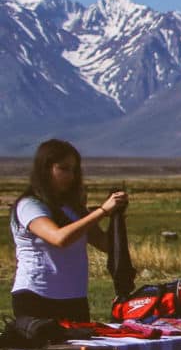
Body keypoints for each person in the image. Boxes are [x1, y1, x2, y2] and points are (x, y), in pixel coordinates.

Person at [11, 139, 127, 326]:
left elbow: (105, 244)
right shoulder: (30, 205)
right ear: (46, 169)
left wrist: (116, 218)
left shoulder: (73, 209)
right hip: (37, 296)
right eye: (64, 169)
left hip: (74, 297)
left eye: (74, 170)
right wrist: (102, 211)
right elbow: (59, 238)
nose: (71, 176)